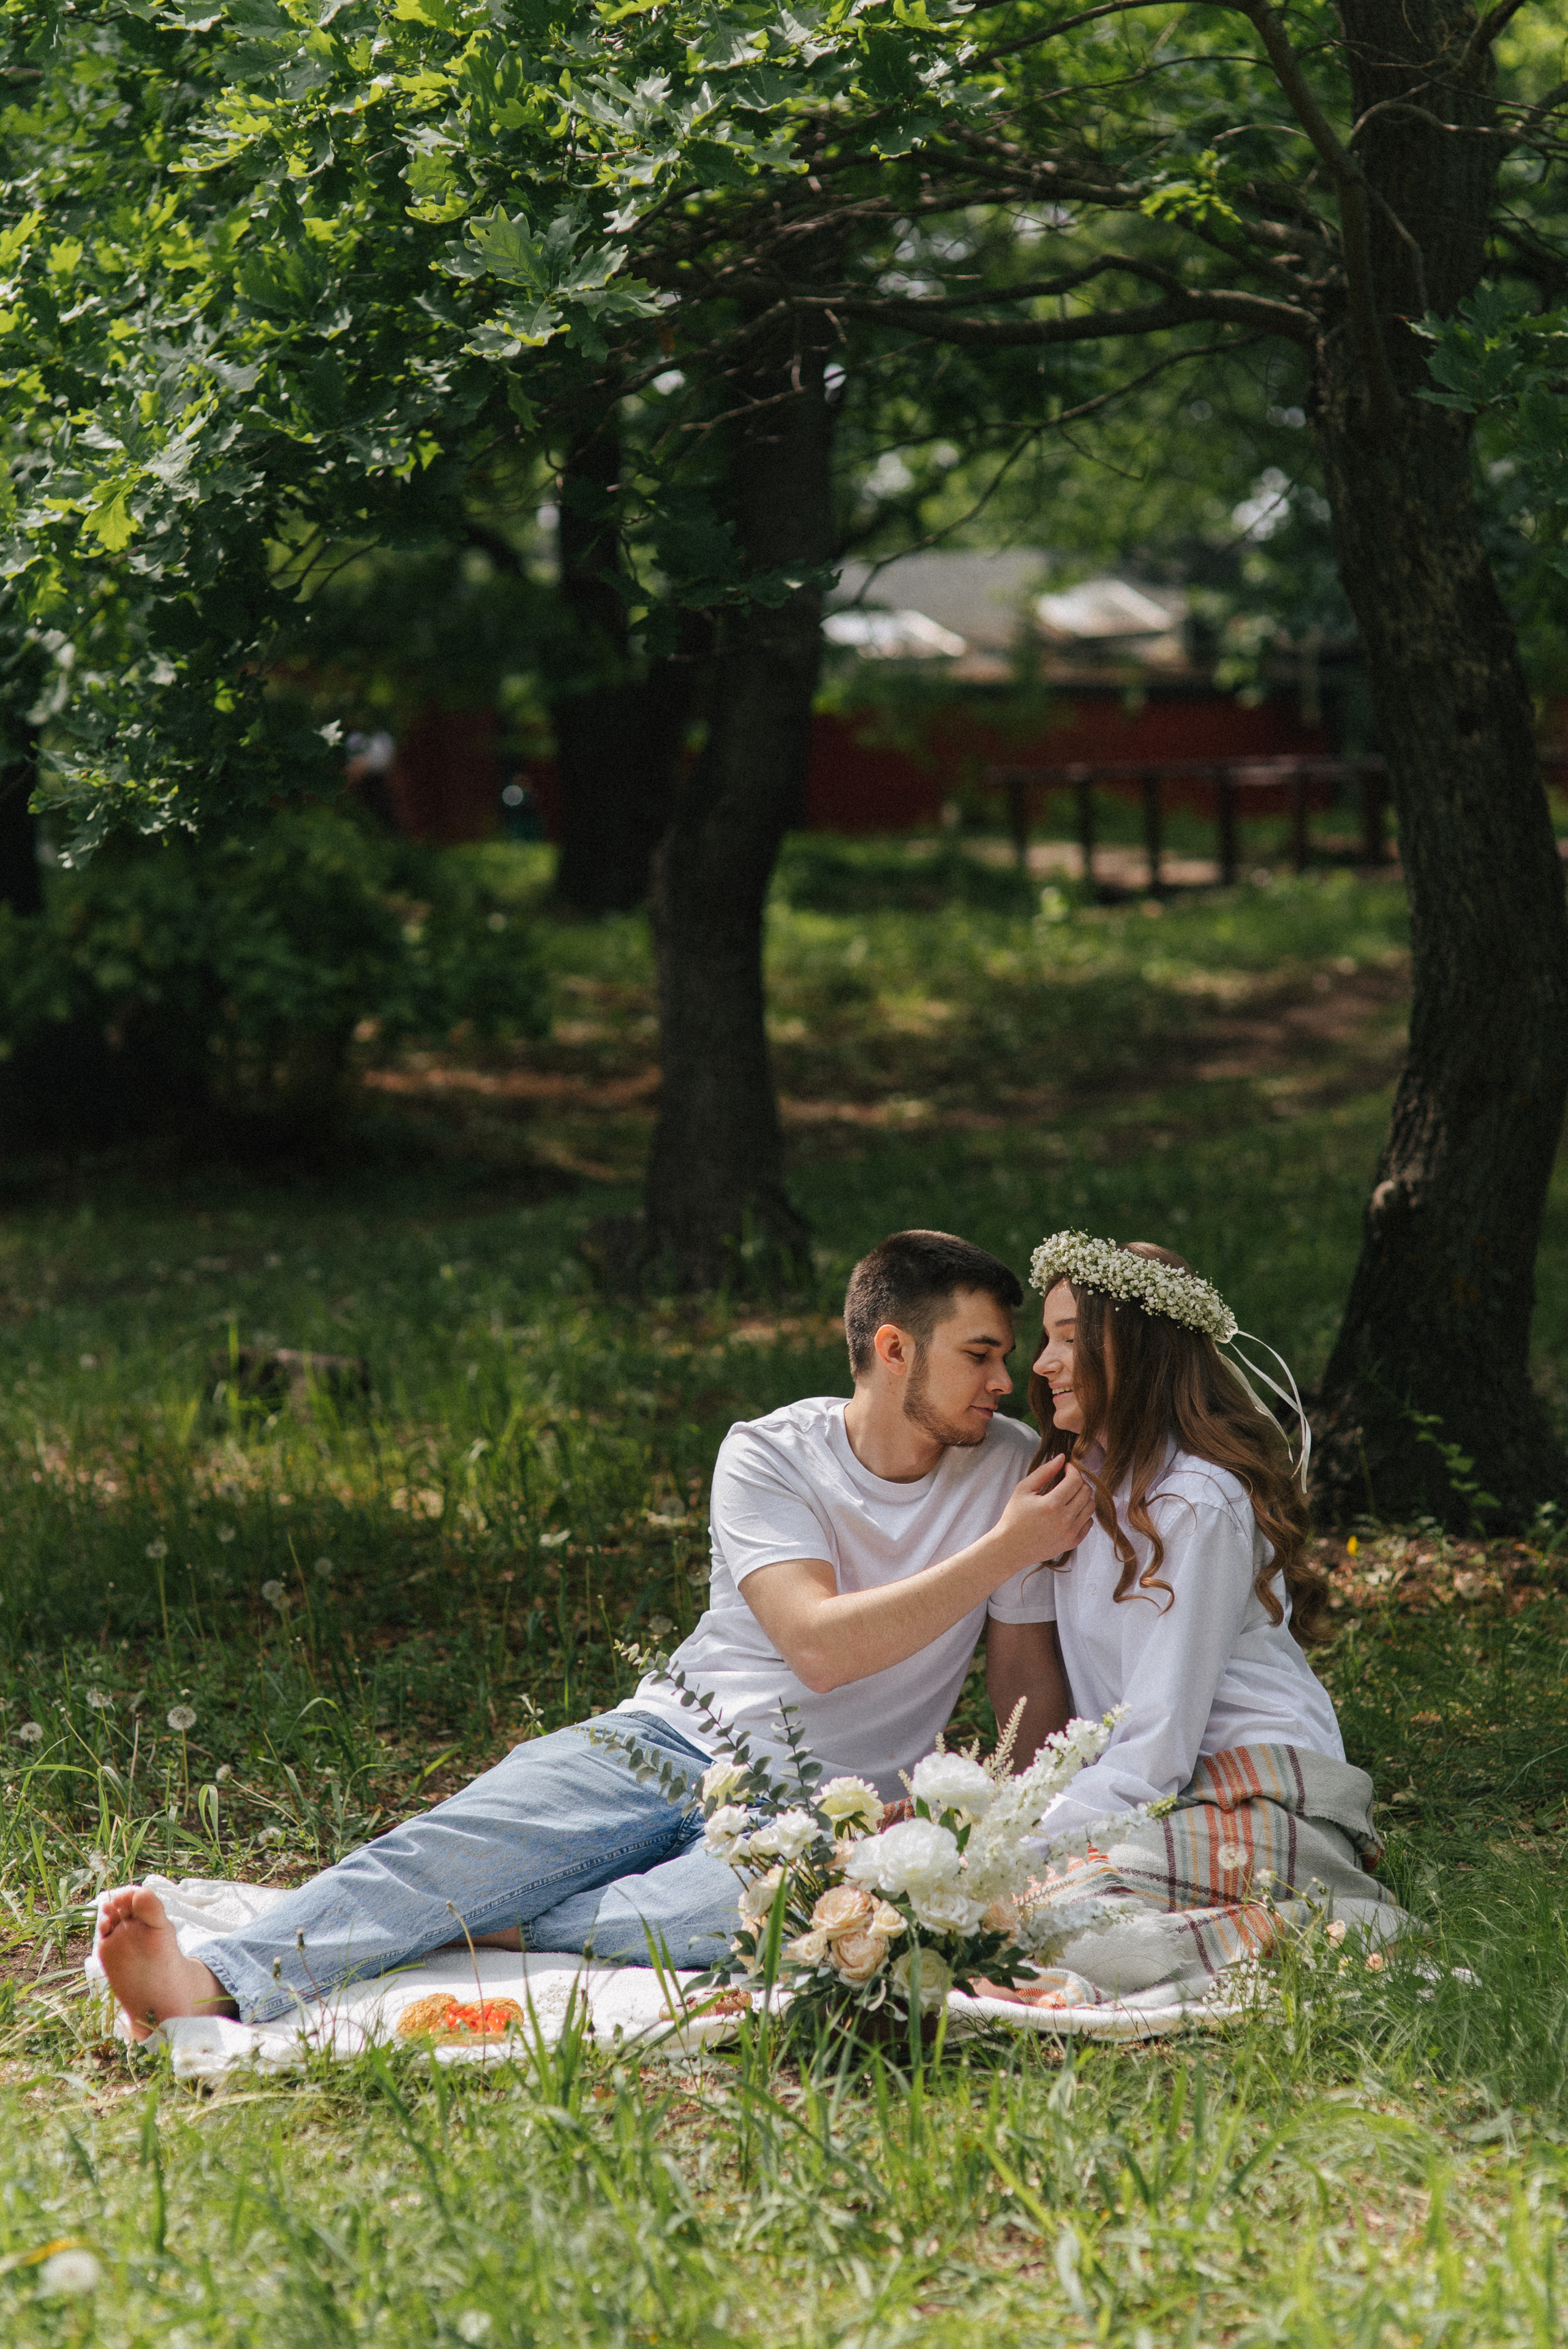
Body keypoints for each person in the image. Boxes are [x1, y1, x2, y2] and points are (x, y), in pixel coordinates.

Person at [97, 1229, 1095, 2037]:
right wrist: (1007, 1546)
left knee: (761, 1922)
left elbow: (1022, 1680)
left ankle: (502, 1912)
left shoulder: (1009, 1469)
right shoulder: (769, 1453)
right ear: (894, 1348)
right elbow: (819, 1647)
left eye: (1005, 1355)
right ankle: (210, 1981)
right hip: (665, 1742)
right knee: (441, 1851)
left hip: (812, 1804)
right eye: (980, 1353)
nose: (1006, 1378)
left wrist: (1001, 1828)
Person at [992, 1232, 1406, 2004]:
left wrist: (1021, 1839)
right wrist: (1011, 1826)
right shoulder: (1070, 1489)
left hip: (1255, 1794)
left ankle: (1346, 1926)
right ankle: (1247, 1936)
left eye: (1069, 1340)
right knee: (994, 1910)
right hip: (1155, 1800)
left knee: (1051, 1925)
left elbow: (1158, 1742)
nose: (1041, 1365)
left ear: (1138, 1351)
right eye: (1044, 1341)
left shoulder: (1196, 1498)